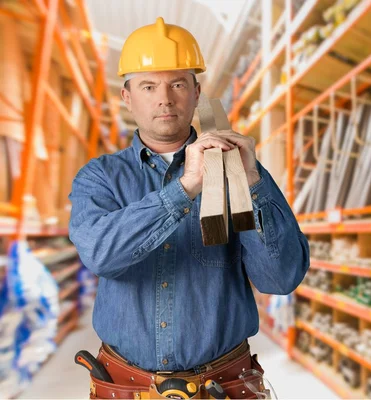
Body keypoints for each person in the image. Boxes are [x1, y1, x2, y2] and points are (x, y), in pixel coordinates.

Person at [68, 17, 310, 399]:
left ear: (197, 93)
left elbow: (280, 280)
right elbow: (100, 254)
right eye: (148, 86)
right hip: (124, 386)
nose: (164, 98)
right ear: (127, 97)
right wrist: (186, 188)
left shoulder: (239, 167)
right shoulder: (100, 177)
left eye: (177, 84)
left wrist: (252, 184)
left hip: (223, 387)